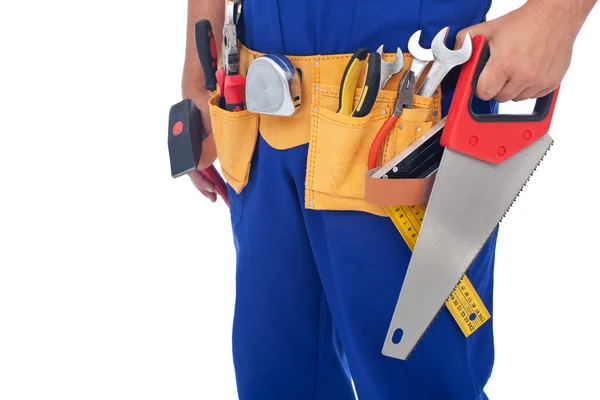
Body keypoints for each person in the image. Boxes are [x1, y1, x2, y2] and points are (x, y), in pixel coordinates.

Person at [181, 0, 596, 398]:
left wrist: (555, 14)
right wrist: (198, 73)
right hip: (258, 106)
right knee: (273, 376)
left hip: (409, 119)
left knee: (418, 381)